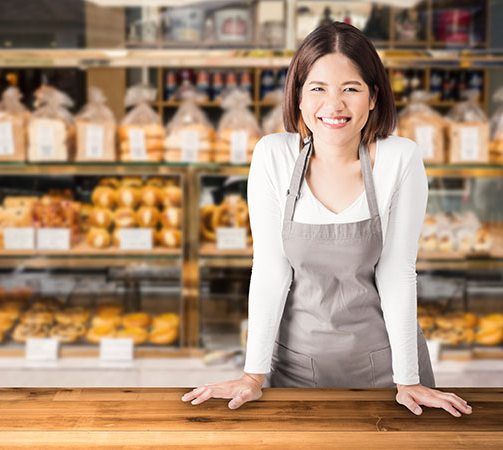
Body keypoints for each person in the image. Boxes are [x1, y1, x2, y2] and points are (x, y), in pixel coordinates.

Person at [182, 22, 473, 418]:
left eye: (350, 89)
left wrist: (408, 379)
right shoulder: (273, 156)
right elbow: (270, 270)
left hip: (388, 374)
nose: (333, 106)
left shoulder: (399, 159)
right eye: (317, 89)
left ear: (373, 98)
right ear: (299, 98)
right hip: (292, 372)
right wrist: (252, 376)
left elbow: (397, 272)